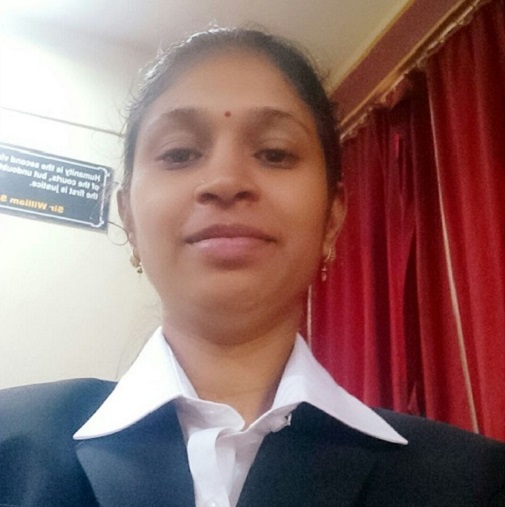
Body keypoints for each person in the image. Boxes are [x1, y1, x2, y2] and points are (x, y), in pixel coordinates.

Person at [0, 28, 504, 507]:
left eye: (275, 153)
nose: (225, 180)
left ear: (332, 218)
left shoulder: (474, 483)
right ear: (128, 217)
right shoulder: (10, 447)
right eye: (179, 153)